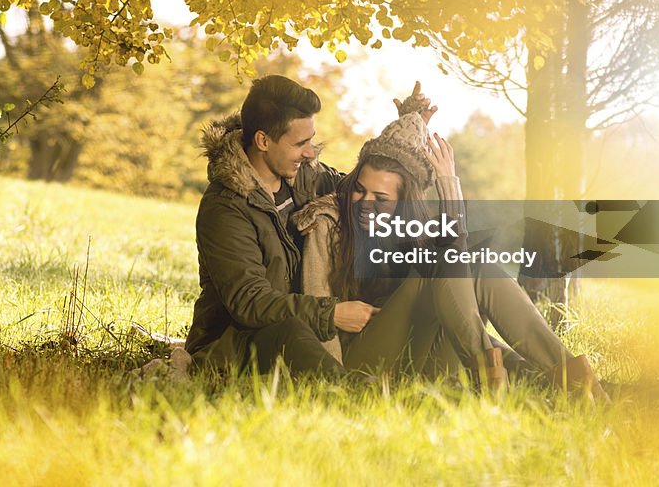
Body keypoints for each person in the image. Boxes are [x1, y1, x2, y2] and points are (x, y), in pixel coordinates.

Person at [294, 104, 611, 401]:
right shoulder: (328, 226)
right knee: (441, 266)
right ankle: (494, 377)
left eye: (381, 197)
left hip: (416, 361)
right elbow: (316, 309)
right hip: (358, 372)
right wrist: (333, 388)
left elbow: (456, 273)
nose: (365, 203)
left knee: (478, 270)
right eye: (359, 190)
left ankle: (580, 387)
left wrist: (449, 185)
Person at [184, 75, 428, 376]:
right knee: (291, 333)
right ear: (263, 141)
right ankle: (353, 395)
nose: (311, 152)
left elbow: (372, 187)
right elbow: (251, 303)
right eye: (300, 143)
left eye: (311, 140)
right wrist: (332, 314)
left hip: (310, 329)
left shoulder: (307, 177)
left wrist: (409, 128)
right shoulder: (226, 208)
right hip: (236, 345)